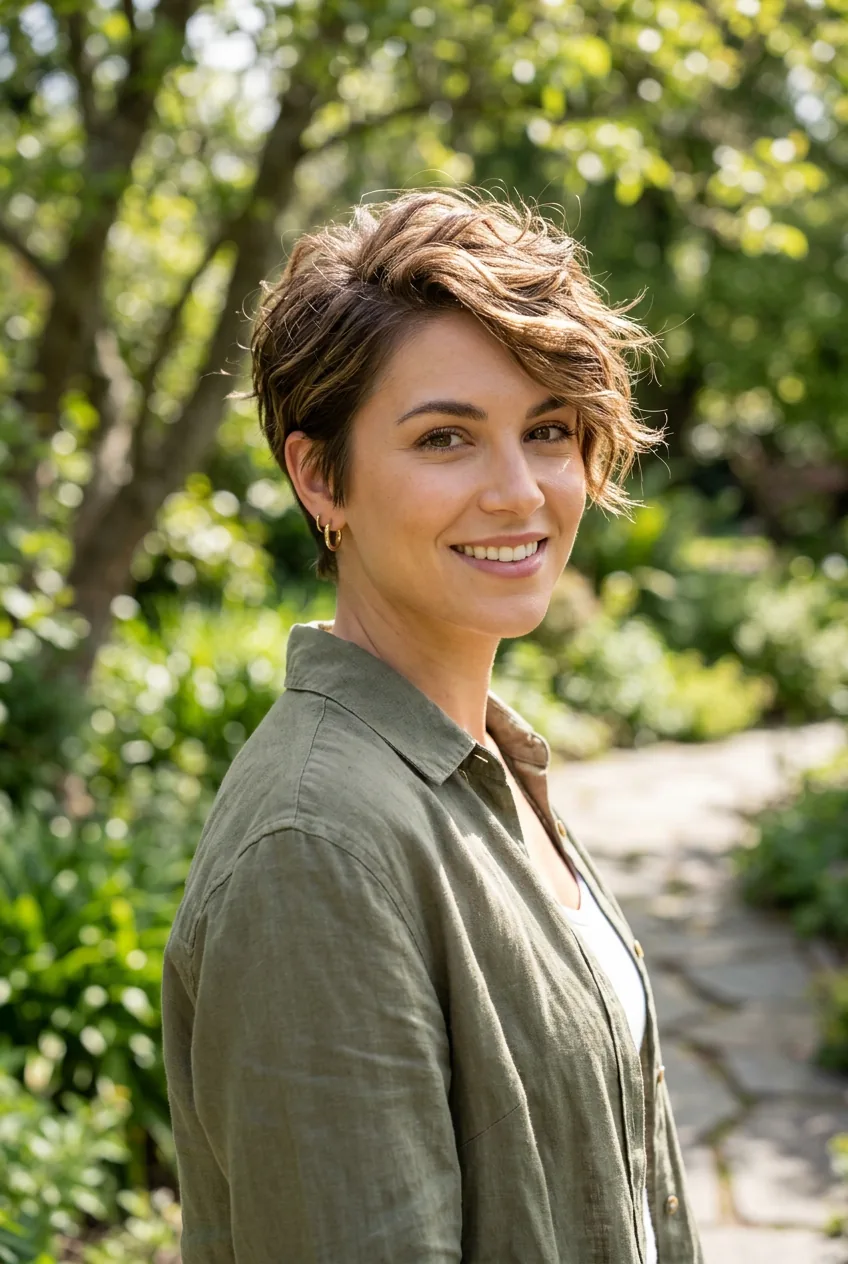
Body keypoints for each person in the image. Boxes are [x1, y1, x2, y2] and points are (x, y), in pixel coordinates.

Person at [161, 186, 703, 1263]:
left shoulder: (483, 763)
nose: (518, 492)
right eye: (445, 437)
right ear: (320, 477)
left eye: (546, 430)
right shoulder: (319, 849)